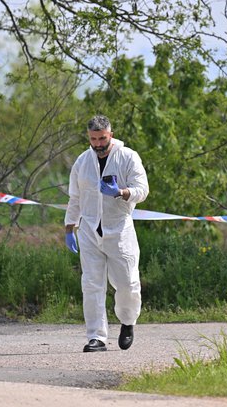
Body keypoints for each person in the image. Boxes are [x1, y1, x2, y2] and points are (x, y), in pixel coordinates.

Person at [64, 115, 149, 352]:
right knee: (91, 284)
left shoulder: (127, 157)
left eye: (102, 138)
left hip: (119, 229)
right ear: (88, 138)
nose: (98, 144)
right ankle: (96, 337)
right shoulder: (82, 162)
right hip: (89, 231)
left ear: (110, 134)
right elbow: (75, 198)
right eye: (94, 139)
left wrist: (121, 192)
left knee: (127, 283)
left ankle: (128, 322)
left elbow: (143, 190)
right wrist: (69, 227)